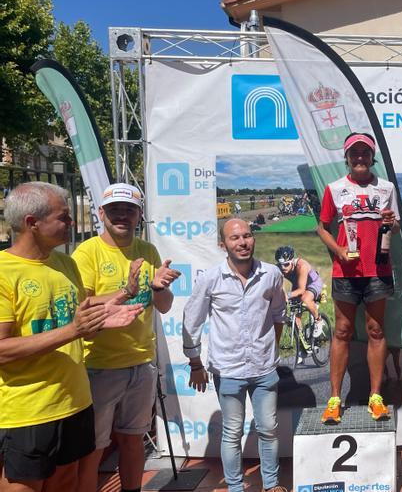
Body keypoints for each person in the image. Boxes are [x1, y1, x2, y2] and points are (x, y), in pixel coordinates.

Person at [0, 182, 141, 492]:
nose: (72, 223)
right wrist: (74, 330)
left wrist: (112, 308)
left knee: (67, 484)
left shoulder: (65, 263)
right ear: (31, 223)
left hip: (75, 403)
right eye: (63, 217)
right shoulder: (3, 272)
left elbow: (77, 313)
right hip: (28, 411)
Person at [72, 183, 181, 492]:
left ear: (139, 215)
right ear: (101, 213)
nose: (122, 215)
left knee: (133, 441)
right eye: (115, 209)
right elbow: (84, 304)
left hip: (142, 363)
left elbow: (164, 305)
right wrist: (126, 292)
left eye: (129, 209)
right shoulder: (87, 252)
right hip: (100, 366)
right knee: (93, 447)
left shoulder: (147, 251)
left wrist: (158, 289)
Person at [182, 219, 287, 492]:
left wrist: (270, 349)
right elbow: (191, 322)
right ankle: (236, 487)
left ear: (254, 238)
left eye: (247, 236)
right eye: (234, 238)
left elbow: (278, 314)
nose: (242, 242)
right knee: (232, 432)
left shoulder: (272, 274)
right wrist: (195, 363)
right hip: (228, 370)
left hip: (264, 369)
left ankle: (271, 485)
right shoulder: (210, 279)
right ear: (223, 244)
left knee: (268, 429)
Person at [316, 132, 398, 423]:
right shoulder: (335, 188)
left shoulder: (386, 187)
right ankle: (334, 399)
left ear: (372, 156)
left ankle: (376, 398)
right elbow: (322, 227)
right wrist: (338, 249)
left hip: (378, 268)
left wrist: (392, 223)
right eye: (355, 153)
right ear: (347, 158)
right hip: (346, 271)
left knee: (376, 331)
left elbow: (394, 225)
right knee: (342, 332)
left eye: (365, 153)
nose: (360, 158)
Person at [274, 245, 326, 335]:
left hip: (313, 283)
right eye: (280, 265)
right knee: (295, 315)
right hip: (297, 285)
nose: (283, 268)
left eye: (286, 264)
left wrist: (287, 295)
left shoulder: (301, 266)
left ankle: (318, 320)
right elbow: (280, 287)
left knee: (305, 298)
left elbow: (301, 290)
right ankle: (302, 343)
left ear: (292, 261)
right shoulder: (278, 269)